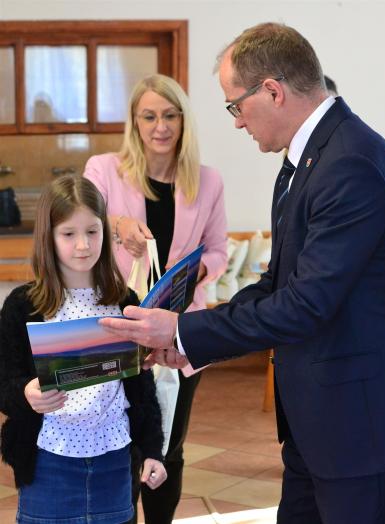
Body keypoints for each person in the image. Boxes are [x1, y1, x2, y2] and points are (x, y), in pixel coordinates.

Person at [99, 22, 385, 524]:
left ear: (273, 91)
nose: (237, 123)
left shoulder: (350, 163)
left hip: (355, 427)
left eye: (235, 106)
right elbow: (277, 284)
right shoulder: (311, 159)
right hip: (316, 421)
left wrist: (182, 331)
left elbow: (305, 304)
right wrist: (187, 339)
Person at [83, 73, 227, 524]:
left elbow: (219, 252)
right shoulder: (103, 169)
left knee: (168, 447)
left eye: (170, 115)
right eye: (149, 116)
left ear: (183, 121)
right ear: (134, 121)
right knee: (119, 443)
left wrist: (192, 273)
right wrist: (118, 225)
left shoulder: (207, 181)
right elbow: (82, 219)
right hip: (117, 327)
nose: (160, 127)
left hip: (178, 333)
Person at [0, 175, 167, 524]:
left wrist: (153, 449)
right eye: (68, 234)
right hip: (48, 464)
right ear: (48, 237)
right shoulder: (22, 305)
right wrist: (26, 393)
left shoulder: (124, 301)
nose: (83, 245)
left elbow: (141, 389)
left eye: (92, 231)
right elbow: (4, 380)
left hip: (114, 462)